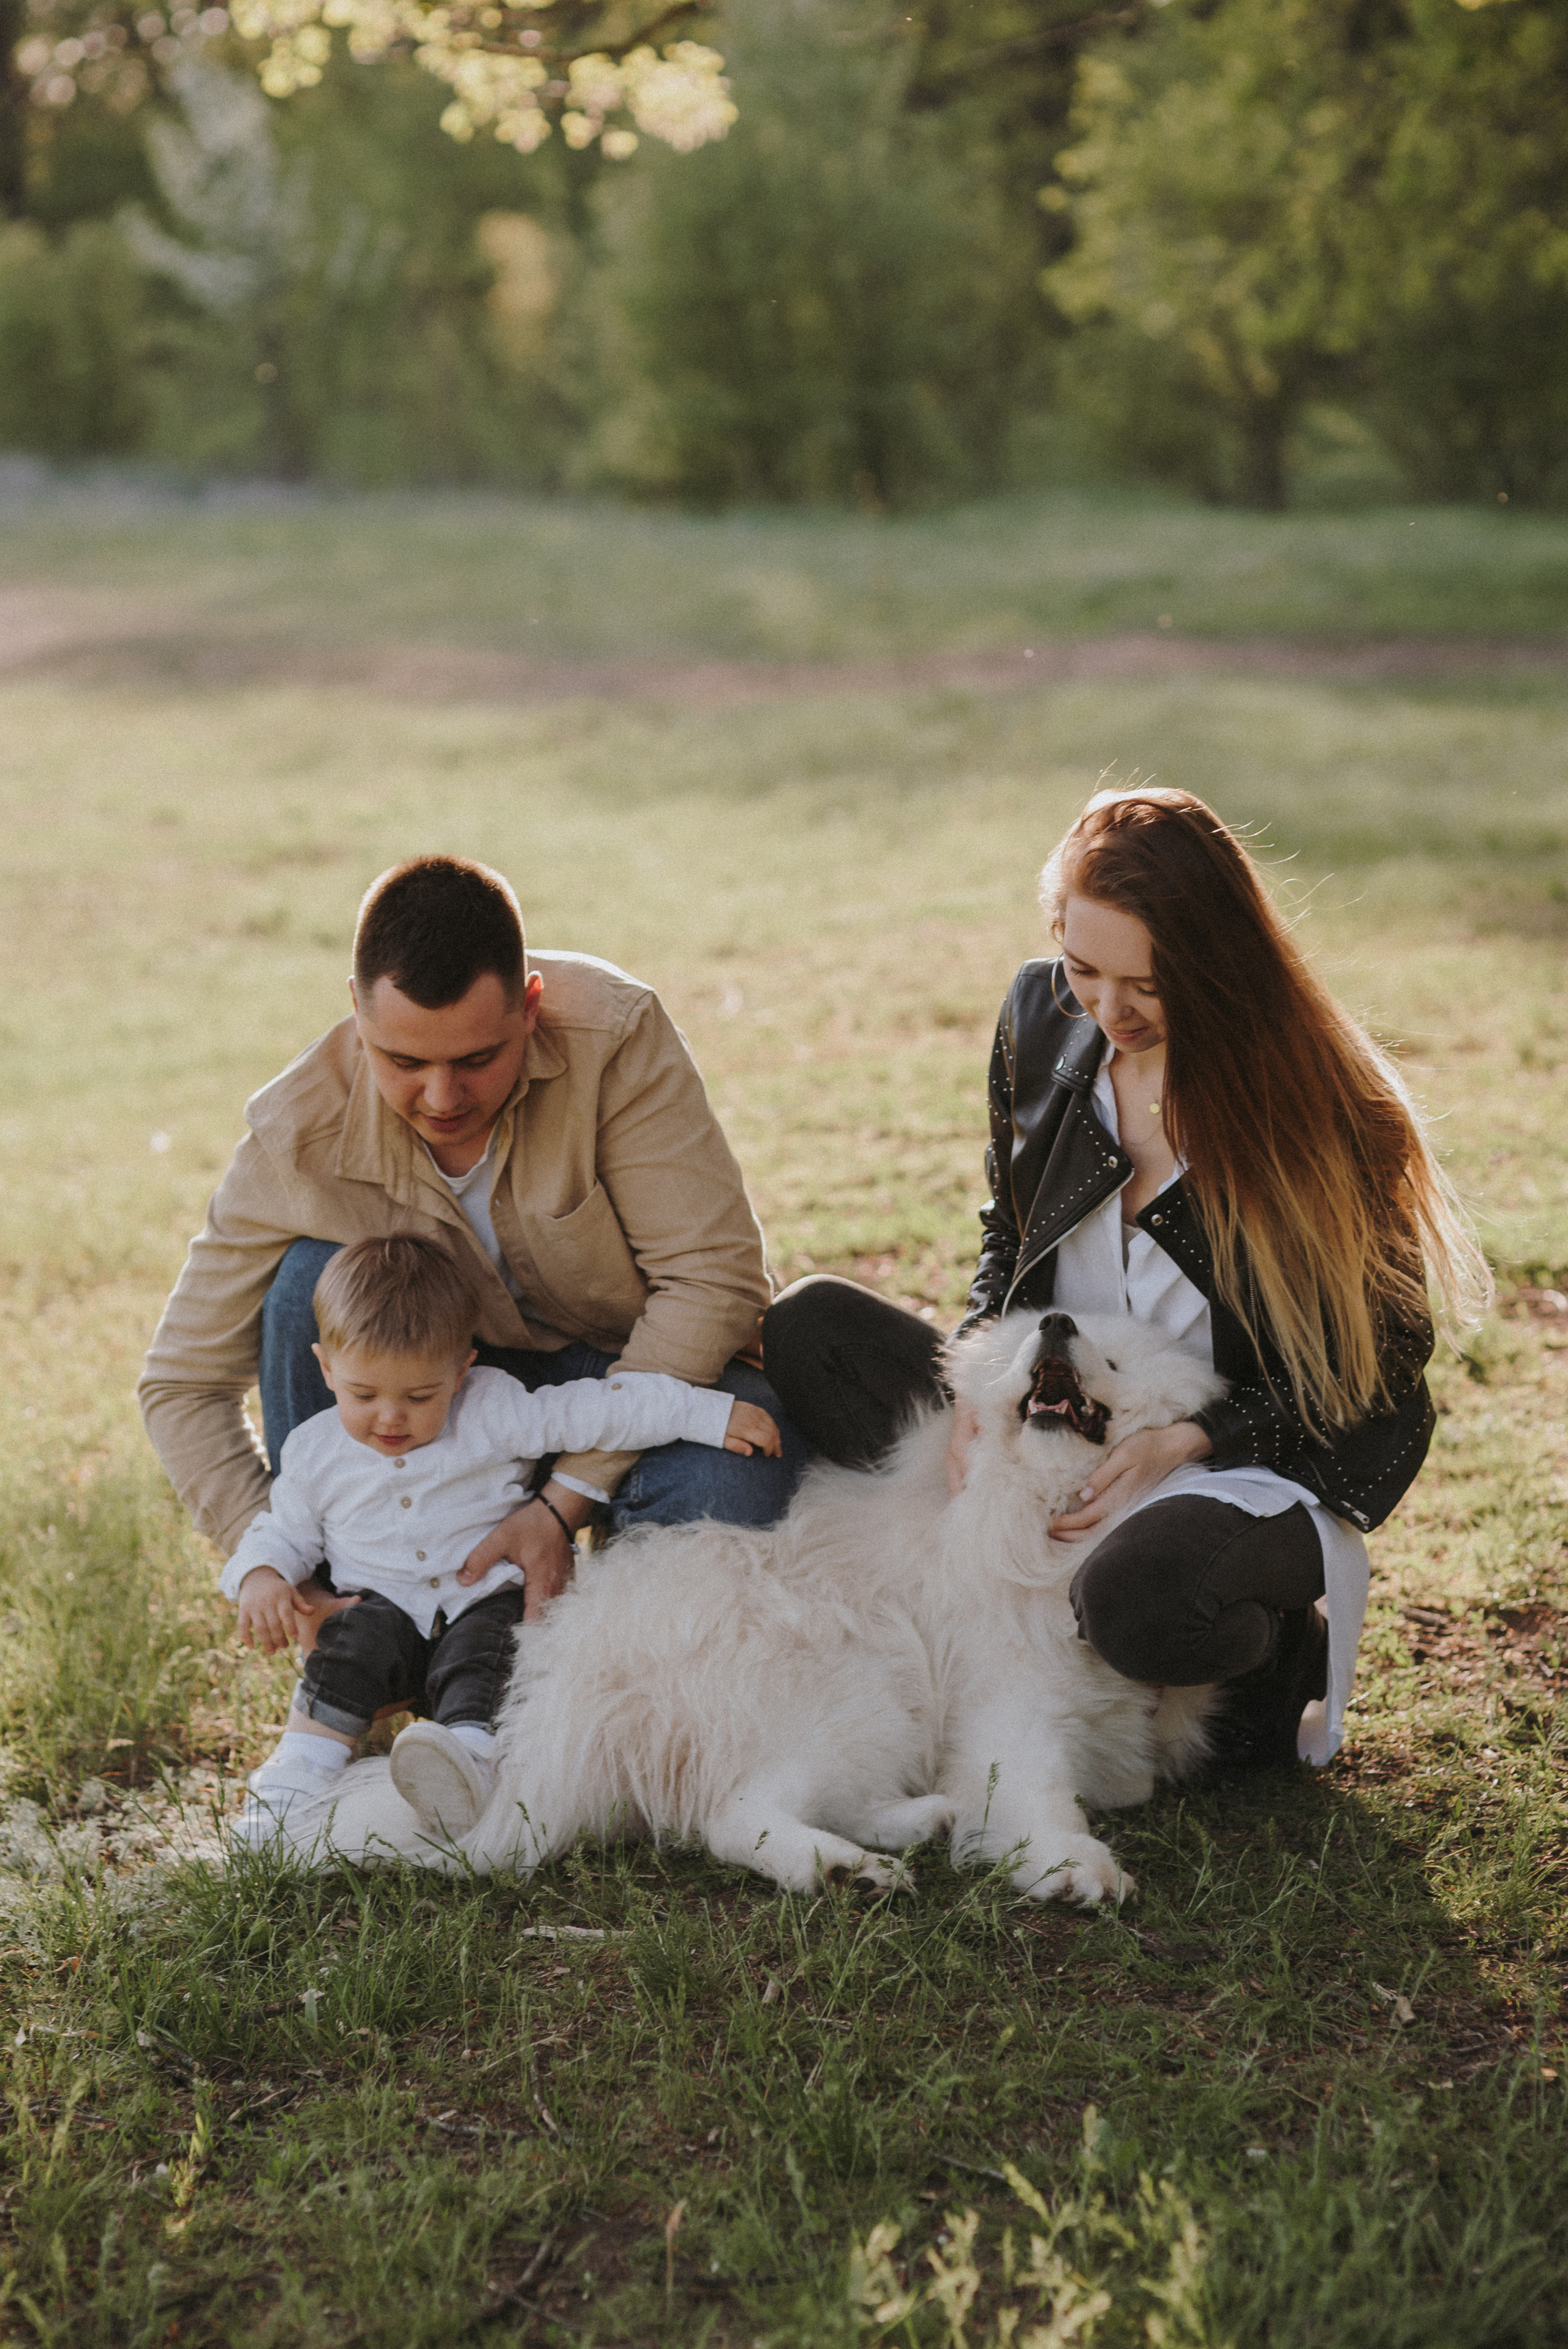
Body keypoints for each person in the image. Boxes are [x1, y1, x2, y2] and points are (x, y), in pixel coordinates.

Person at [763, 787, 1488, 1769]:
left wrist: (1192, 1439)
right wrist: (979, 1383)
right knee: (813, 1330)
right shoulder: (1038, 1016)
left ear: (1215, 962)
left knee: (1133, 1602)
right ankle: (971, 1616)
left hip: (1236, 1455)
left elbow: (1384, 1364)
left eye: (1147, 983)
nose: (1110, 1009)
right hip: (1061, 1397)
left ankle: (1265, 1658)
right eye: (1083, 968)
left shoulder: (1322, 1103)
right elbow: (1008, 1229)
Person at [140, 853, 805, 1635]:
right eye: (404, 1061)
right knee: (305, 1288)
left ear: (530, 1005)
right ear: (357, 1012)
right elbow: (182, 1384)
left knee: (739, 1481)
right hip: (438, 1391)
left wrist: (562, 1506)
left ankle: (604, 1645)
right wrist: (271, 1565)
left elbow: (713, 1281)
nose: (442, 1097)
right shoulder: (296, 1132)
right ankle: (372, 1635)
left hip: (632, 1371)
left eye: (477, 1060)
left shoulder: (615, 1037)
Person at [225, 1235, 782, 1843]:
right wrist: (262, 1575)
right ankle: (291, 1787)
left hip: (477, 1599)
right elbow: (283, 1530)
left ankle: (467, 1769)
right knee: (345, 1650)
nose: (390, 1418)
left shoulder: (490, 1408)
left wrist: (705, 1415)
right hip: (382, 1609)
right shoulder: (314, 1450)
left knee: (489, 1658)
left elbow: (599, 1410)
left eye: (419, 1397)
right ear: (326, 1368)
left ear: (461, 1371)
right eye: (363, 1395)